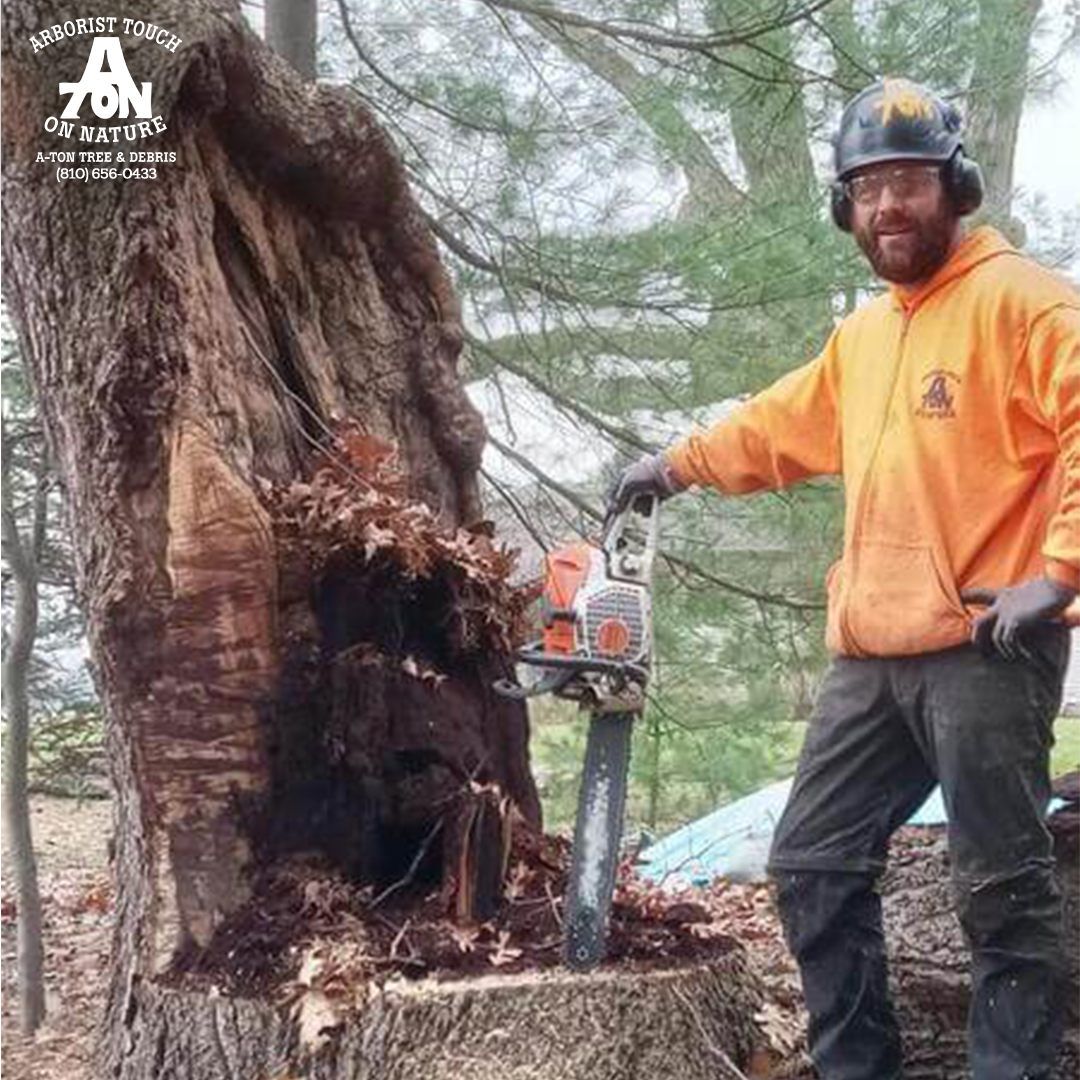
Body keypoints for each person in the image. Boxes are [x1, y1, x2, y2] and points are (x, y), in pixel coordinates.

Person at [606, 77, 1079, 1079]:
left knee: (1001, 894)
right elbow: (778, 424)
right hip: (875, 661)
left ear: (956, 187)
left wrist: (1062, 572)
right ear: (844, 207)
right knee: (813, 863)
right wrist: (675, 465)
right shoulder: (867, 337)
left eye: (909, 181)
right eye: (866, 189)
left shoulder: (1025, 304)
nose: (887, 208)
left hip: (989, 649)